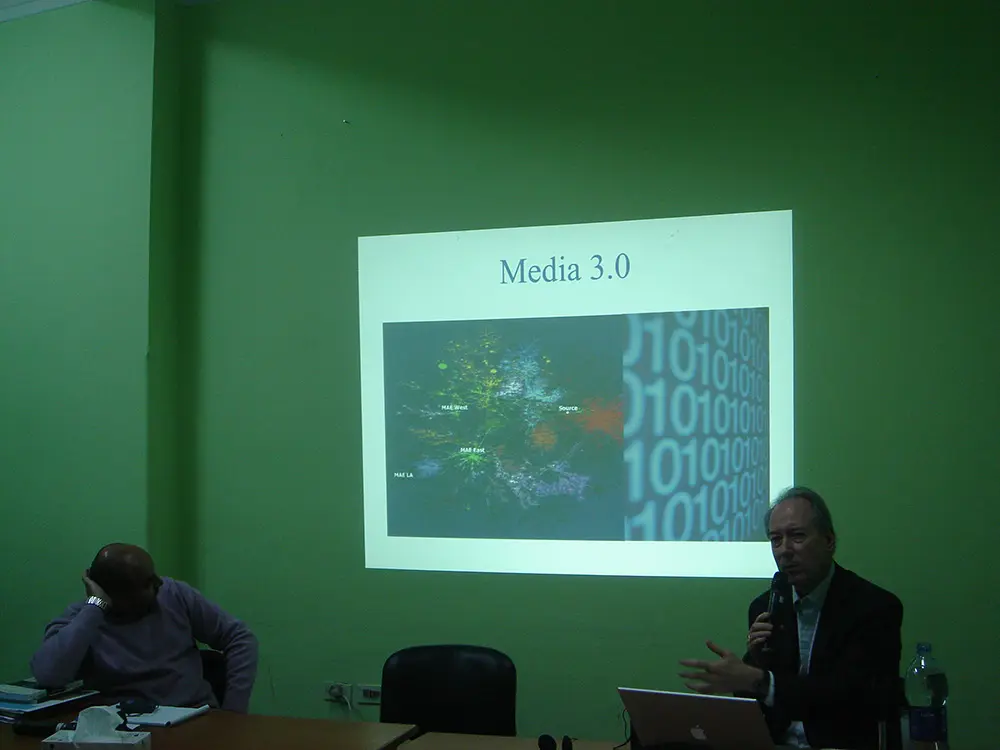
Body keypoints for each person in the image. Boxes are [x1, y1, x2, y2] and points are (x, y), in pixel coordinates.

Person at [678, 487, 904, 750]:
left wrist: (760, 679)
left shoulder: (874, 608)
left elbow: (851, 697)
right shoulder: (765, 606)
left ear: (829, 541)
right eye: (775, 540)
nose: (784, 550)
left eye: (797, 536)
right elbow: (758, 702)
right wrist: (755, 663)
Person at [30, 543, 258, 713]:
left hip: (192, 715)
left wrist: (233, 712)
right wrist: (95, 607)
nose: (160, 583)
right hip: (122, 726)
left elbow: (240, 638)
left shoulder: (174, 594)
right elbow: (48, 676)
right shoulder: (83, 619)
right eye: (147, 582)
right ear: (114, 593)